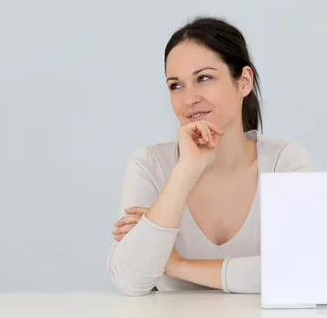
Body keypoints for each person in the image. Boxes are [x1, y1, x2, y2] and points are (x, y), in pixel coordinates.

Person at [106, 16, 313, 296]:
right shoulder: (150, 164)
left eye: (204, 78)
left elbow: (302, 271)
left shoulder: (284, 163)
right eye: (175, 85)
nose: (189, 98)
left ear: (244, 82)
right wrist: (186, 170)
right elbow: (131, 279)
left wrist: (177, 264)